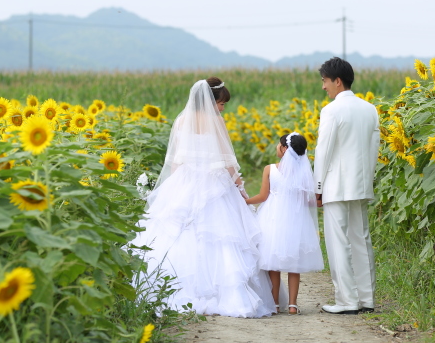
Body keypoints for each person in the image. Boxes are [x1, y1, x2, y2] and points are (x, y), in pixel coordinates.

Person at [133, 77, 276, 318]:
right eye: (221, 103)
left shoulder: (181, 121)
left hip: (186, 179)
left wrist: (176, 188)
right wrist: (239, 186)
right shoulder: (215, 121)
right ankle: (223, 293)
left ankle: (176, 290)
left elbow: (176, 161)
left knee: (180, 234)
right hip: (213, 181)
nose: (222, 108)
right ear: (211, 101)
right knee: (222, 236)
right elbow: (227, 160)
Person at [313, 57, 380, 315]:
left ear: (337, 81)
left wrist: (318, 187)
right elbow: (373, 150)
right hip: (360, 184)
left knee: (338, 242)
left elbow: (323, 151)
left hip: (335, 185)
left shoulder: (331, 110)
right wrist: (366, 178)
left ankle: (346, 300)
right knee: (361, 239)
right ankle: (367, 298)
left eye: (325, 81)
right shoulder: (369, 109)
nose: (323, 87)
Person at [245, 133, 324, 315]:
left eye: (278, 144)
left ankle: (274, 304)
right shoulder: (303, 173)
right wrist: (319, 202)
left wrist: (245, 201)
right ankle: (293, 305)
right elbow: (305, 200)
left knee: (273, 262)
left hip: (272, 218)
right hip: (296, 220)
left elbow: (263, 196)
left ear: (284, 148)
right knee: (294, 264)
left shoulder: (270, 169)